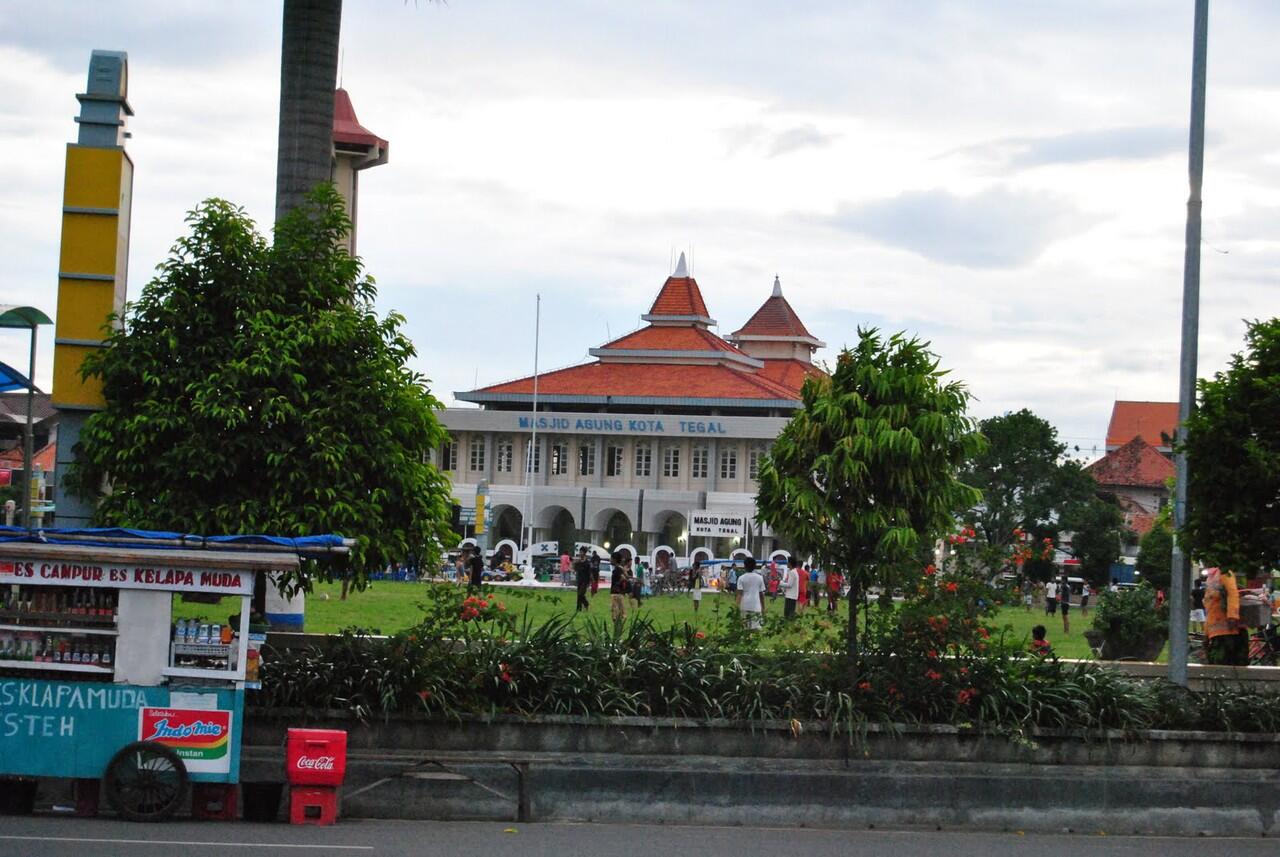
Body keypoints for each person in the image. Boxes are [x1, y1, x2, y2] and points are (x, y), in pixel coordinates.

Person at [1204, 566, 1248, 666]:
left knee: (1224, 666)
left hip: (1229, 632)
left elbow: (1232, 593)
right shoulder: (1211, 577)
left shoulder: (1224, 574)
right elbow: (1209, 607)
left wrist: (1232, 617)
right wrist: (1206, 633)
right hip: (1217, 634)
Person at [736, 555, 766, 630]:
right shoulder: (760, 578)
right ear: (755, 566)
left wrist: (736, 606)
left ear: (744, 566)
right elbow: (761, 594)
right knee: (756, 627)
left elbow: (739, 594)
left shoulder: (741, 578)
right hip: (756, 606)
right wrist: (763, 607)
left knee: (745, 627)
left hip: (744, 605)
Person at [610, 551, 632, 634]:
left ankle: (618, 632)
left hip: (616, 594)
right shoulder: (620, 568)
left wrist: (617, 584)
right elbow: (626, 576)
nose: (610, 560)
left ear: (615, 560)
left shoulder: (617, 569)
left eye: (611, 558)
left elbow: (623, 578)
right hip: (619, 594)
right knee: (619, 614)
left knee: (615, 615)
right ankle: (618, 631)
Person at [573, 548, 592, 612]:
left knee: (580, 594)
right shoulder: (578, 562)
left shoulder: (587, 562)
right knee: (579, 594)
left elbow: (589, 573)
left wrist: (589, 582)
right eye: (580, 552)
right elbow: (575, 569)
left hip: (585, 581)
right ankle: (578, 608)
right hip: (579, 580)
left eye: (581, 552)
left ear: (584, 553)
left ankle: (586, 604)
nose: (580, 553)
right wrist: (574, 564)